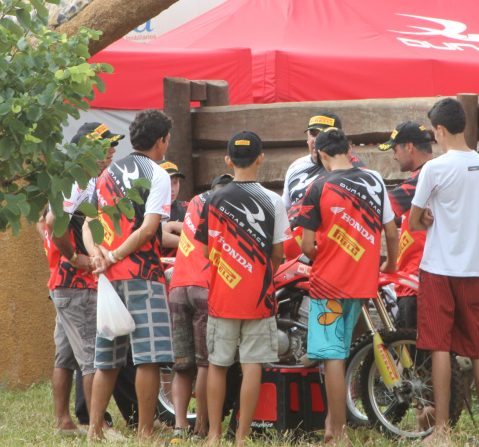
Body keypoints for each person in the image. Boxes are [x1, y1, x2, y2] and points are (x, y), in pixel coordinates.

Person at [295, 127, 399, 444]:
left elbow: (306, 245)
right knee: (339, 349)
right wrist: (390, 264)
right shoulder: (374, 180)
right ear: (349, 148)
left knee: (334, 358)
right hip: (363, 282)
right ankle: (331, 423)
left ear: (322, 154)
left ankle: (337, 433)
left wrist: (321, 250)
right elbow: (392, 233)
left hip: (329, 283)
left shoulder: (317, 187)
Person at [82, 109, 175, 442]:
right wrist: (118, 255)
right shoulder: (159, 174)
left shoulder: (107, 173)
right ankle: (145, 433)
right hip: (143, 275)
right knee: (149, 358)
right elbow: (150, 229)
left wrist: (97, 256)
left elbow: (87, 224)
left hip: (108, 280)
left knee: (107, 359)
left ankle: (94, 430)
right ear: (161, 140)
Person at [195, 131, 291, 447]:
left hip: (222, 296)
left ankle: (212, 435)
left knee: (218, 365)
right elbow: (279, 254)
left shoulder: (213, 199)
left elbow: (208, 251)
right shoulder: (274, 200)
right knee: (252, 366)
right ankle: (242, 438)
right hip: (259, 297)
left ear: (228, 160)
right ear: (261, 158)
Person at [408, 98, 479, 446]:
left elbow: (414, 221)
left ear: (439, 130)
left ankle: (441, 431)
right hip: (472, 267)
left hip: (439, 267)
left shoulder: (435, 168)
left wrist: (427, 216)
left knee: (439, 346)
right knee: (477, 348)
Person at [41, 122, 123, 437]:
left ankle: (64, 422)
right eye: (106, 145)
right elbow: (52, 221)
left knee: (65, 358)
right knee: (92, 356)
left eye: (113, 144)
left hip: (63, 283)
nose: (113, 150)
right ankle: (98, 428)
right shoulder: (76, 178)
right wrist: (76, 258)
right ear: (86, 149)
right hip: (75, 283)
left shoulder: (78, 178)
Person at [167, 185, 214, 444]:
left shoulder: (195, 202)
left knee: (182, 365)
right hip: (203, 287)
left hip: (178, 286)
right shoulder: (225, 203)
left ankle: (179, 425)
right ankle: (201, 428)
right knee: (205, 363)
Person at [282, 110, 365, 258]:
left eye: (321, 134)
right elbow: (285, 208)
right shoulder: (296, 167)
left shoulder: (351, 164)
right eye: (313, 134)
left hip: (331, 254)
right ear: (307, 138)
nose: (316, 140)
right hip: (293, 262)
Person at [378, 121, 436, 328]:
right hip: (427, 278)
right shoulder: (437, 172)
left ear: (409, 147)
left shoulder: (423, 176)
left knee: (414, 355)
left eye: (395, 149)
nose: (394, 156)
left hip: (416, 280)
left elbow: (381, 209)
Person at [159, 160, 189, 258]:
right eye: (167, 183)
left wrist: (173, 225)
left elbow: (201, 233)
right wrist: (190, 244)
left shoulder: (188, 207)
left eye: (175, 183)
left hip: (181, 270)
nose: (172, 189)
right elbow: (158, 238)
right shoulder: (146, 209)